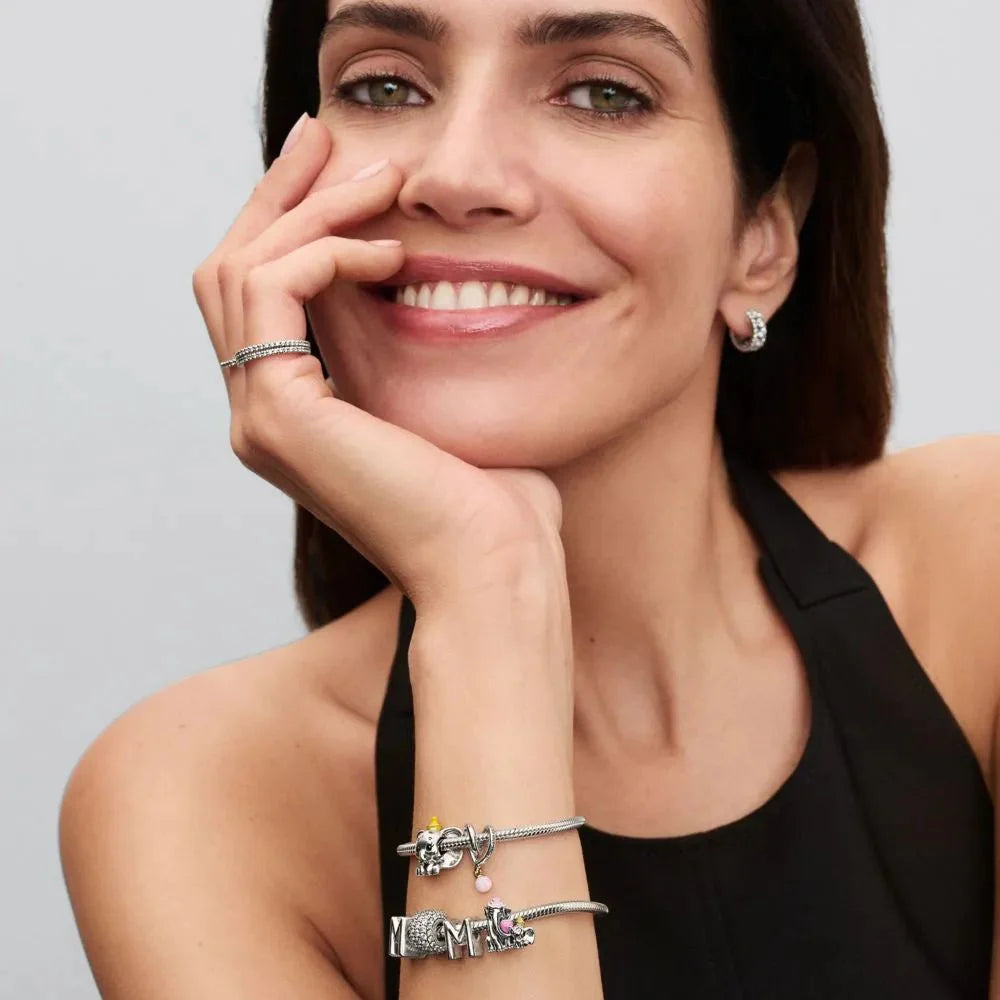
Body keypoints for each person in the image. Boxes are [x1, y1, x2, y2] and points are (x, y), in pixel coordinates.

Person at [58, 0, 1000, 997]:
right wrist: (487, 595)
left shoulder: (976, 569)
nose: (457, 175)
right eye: (385, 86)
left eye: (604, 94)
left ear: (762, 234)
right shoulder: (197, 800)